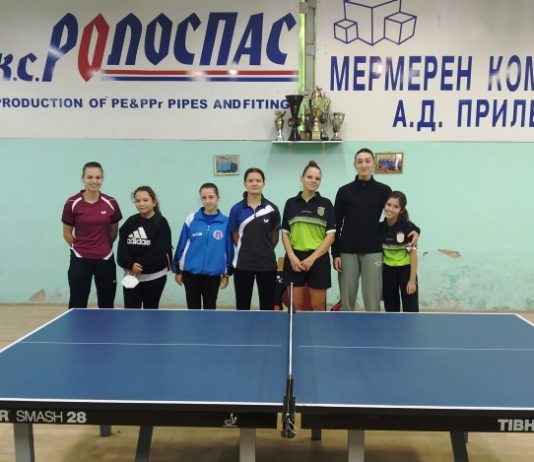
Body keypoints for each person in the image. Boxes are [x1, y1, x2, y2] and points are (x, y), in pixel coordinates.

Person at [332, 148, 419, 311]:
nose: (364, 165)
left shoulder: (384, 190)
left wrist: (415, 229)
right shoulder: (344, 191)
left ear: (373, 164)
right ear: (355, 165)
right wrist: (335, 253)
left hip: (373, 251)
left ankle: (373, 326)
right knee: (347, 301)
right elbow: (335, 223)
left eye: (367, 161)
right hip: (347, 251)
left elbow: (394, 213)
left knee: (373, 301)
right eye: (360, 161)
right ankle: (345, 325)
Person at [62, 161, 122, 309]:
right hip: (80, 260)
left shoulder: (111, 202)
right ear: (83, 178)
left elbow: (114, 231)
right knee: (77, 304)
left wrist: (104, 246)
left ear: (102, 179)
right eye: (90, 177)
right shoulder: (72, 203)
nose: (94, 181)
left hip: (105, 260)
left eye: (98, 177)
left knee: (107, 304)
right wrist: (80, 248)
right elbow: (67, 233)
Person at [281, 161, 335, 310]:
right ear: (302, 178)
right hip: (295, 259)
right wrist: (291, 257)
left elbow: (331, 236)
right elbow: (285, 233)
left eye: (317, 178)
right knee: (295, 306)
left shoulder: (326, 204)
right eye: (309, 177)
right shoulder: (290, 203)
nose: (313, 180)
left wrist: (312, 259)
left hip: (319, 259)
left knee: (318, 305)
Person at [172, 183, 233, 309]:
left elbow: (229, 250)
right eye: (204, 198)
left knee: (210, 309)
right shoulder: (191, 219)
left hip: (213, 275)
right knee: (193, 309)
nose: (207, 201)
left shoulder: (226, 222)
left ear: (218, 197)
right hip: (190, 274)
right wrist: (178, 270)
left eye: (211, 197)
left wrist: (227, 274)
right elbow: (181, 244)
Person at [229, 168, 280, 310]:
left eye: (258, 180)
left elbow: (275, 236)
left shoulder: (272, 209)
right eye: (250, 180)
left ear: (264, 183)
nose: (254, 183)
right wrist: (247, 250)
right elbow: (235, 235)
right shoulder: (236, 209)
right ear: (245, 183)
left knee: (267, 306)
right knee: (242, 306)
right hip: (243, 264)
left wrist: (264, 250)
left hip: (267, 264)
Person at [117, 186, 172, 309]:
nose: (141, 204)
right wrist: (130, 265)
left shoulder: (161, 223)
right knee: (130, 312)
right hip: (131, 277)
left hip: (154, 277)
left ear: (154, 202)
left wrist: (139, 265)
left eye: (145, 200)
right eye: (138, 201)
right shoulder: (130, 222)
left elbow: (160, 251)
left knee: (150, 311)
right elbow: (122, 249)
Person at [380, 191, 419, 312]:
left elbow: (413, 255)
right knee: (391, 311)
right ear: (384, 205)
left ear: (401, 210)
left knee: (411, 311)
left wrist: (412, 281)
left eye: (395, 206)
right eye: (388, 204)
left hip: (406, 271)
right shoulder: (379, 228)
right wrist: (380, 286)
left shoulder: (408, 228)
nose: (390, 209)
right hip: (388, 272)